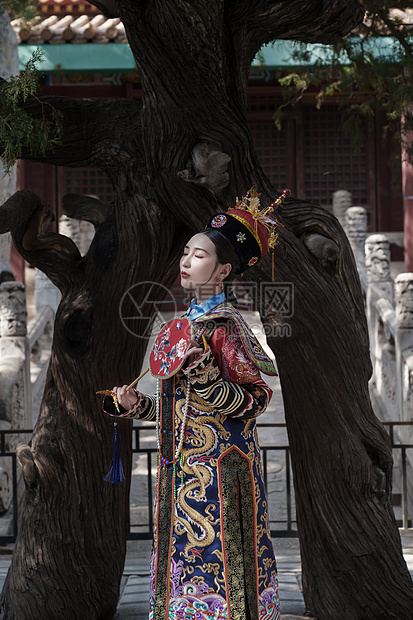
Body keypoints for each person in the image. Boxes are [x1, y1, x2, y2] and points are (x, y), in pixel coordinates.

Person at [103, 188, 287, 620]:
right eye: (186, 252)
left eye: (199, 255)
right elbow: (178, 409)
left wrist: (205, 374)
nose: (186, 261)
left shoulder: (226, 328)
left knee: (223, 580)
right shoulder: (182, 326)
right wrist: (136, 406)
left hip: (221, 478)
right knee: (177, 577)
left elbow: (256, 400)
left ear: (223, 270)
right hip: (178, 471)